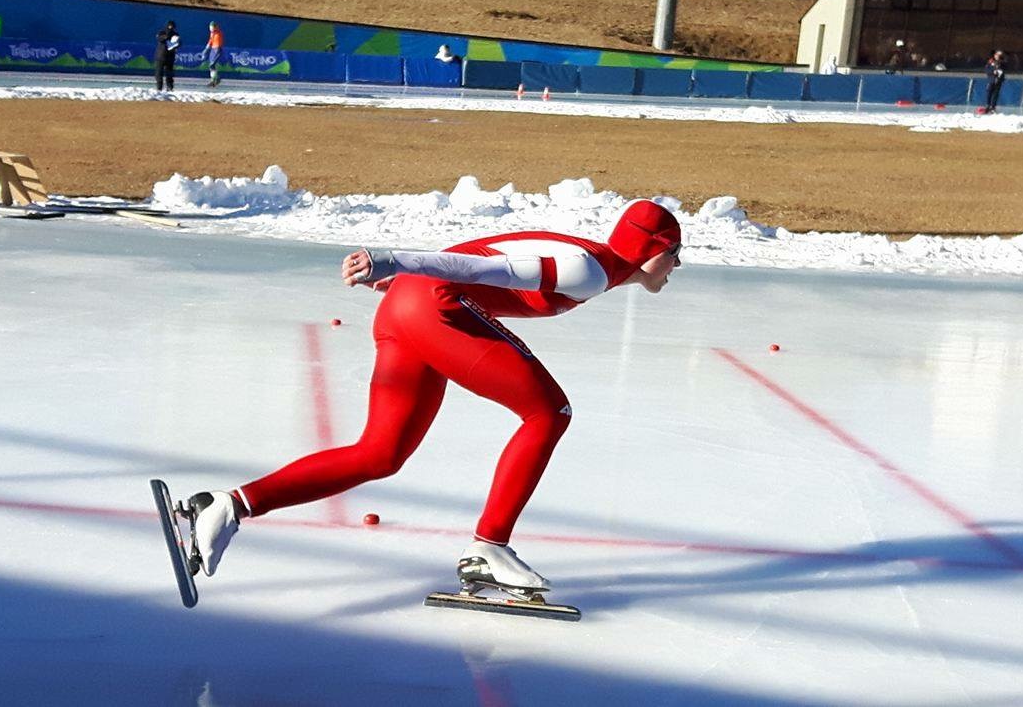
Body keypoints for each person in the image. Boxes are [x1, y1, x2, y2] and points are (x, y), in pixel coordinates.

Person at [180, 200, 683, 595]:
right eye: (676, 255)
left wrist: (402, 279)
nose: (677, 266)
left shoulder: (595, 261)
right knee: (549, 413)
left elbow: (487, 260)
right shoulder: (589, 269)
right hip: (432, 304)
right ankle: (490, 547)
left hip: (410, 302)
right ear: (655, 253)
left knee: (380, 454)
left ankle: (227, 507)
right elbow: (491, 270)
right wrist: (393, 259)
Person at [154, 20, 180, 92]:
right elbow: (159, 38)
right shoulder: (162, 32)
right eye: (169, 26)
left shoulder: (175, 35)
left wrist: (176, 43)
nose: (171, 27)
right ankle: (159, 88)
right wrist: (167, 36)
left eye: (172, 26)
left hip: (170, 57)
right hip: (161, 56)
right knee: (159, 73)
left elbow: (179, 44)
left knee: (169, 74)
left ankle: (170, 88)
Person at [205, 21, 224, 87]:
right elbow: (211, 40)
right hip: (213, 49)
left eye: (212, 27)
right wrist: (206, 48)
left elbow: (218, 42)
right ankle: (214, 80)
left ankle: (215, 79)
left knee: (212, 65)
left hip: (217, 49)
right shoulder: (212, 33)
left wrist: (217, 49)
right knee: (211, 66)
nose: (211, 29)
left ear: (215, 27)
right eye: (210, 27)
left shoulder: (218, 33)